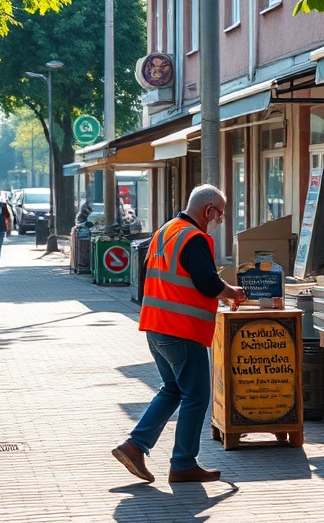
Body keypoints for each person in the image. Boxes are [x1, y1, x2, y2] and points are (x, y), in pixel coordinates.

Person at [112, 184, 247, 485]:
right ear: (208, 210)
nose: (219, 221)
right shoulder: (194, 237)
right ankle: (183, 463)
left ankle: (134, 446)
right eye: (220, 214)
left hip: (155, 326)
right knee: (196, 396)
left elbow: (159, 277)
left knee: (173, 389)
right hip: (182, 330)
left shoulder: (165, 231)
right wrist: (233, 293)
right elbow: (208, 283)